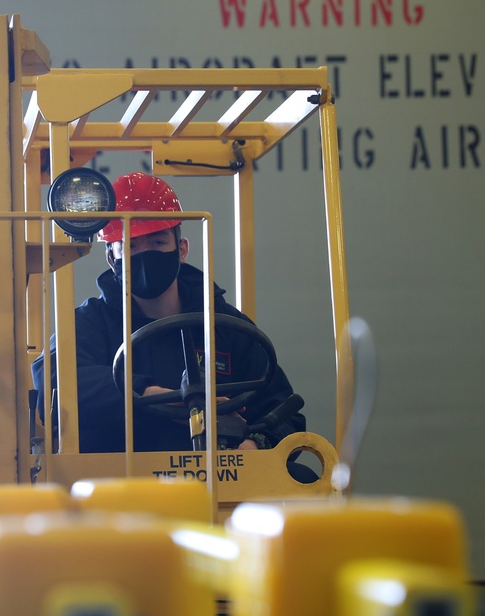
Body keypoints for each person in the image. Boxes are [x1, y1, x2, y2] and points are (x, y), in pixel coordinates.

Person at [30, 172, 306, 455]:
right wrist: (150, 396)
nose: (144, 254)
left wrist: (254, 446)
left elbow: (286, 414)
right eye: (130, 247)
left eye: (157, 242)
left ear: (181, 250)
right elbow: (52, 376)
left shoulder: (227, 327)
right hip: (114, 488)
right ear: (112, 258)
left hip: (219, 484)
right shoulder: (90, 323)